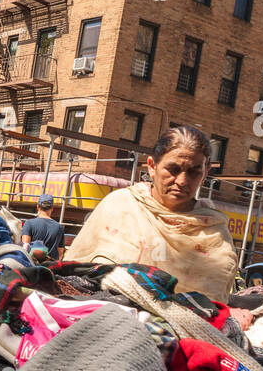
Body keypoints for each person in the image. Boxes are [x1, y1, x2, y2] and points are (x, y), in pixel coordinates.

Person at [63, 126, 237, 302]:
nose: (182, 181)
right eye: (173, 169)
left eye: (194, 171)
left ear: (205, 173)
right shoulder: (119, 206)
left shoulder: (214, 232)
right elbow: (74, 272)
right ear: (152, 166)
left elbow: (212, 302)